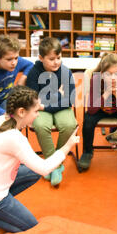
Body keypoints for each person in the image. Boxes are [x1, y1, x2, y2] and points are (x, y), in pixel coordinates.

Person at [0, 85, 79, 234]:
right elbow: (44, 168)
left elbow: (37, 168)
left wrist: (58, 95)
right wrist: (67, 145)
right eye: (36, 111)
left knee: (33, 171)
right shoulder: (14, 138)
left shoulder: (2, 119)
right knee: (30, 229)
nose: (38, 115)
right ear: (21, 112)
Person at [25, 37, 77, 187]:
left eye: (59, 58)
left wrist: (46, 106)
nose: (56, 62)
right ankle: (54, 165)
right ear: (41, 58)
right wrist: (45, 105)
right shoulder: (34, 72)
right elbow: (33, 99)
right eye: (51, 59)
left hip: (51, 105)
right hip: (42, 106)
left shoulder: (65, 71)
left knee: (69, 125)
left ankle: (54, 164)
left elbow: (70, 100)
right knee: (41, 126)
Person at [78, 53, 117, 171]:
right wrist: (107, 93)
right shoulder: (96, 79)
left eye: (116, 74)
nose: (113, 78)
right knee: (88, 119)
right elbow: (92, 109)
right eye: (109, 74)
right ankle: (87, 152)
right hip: (100, 109)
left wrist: (116, 94)